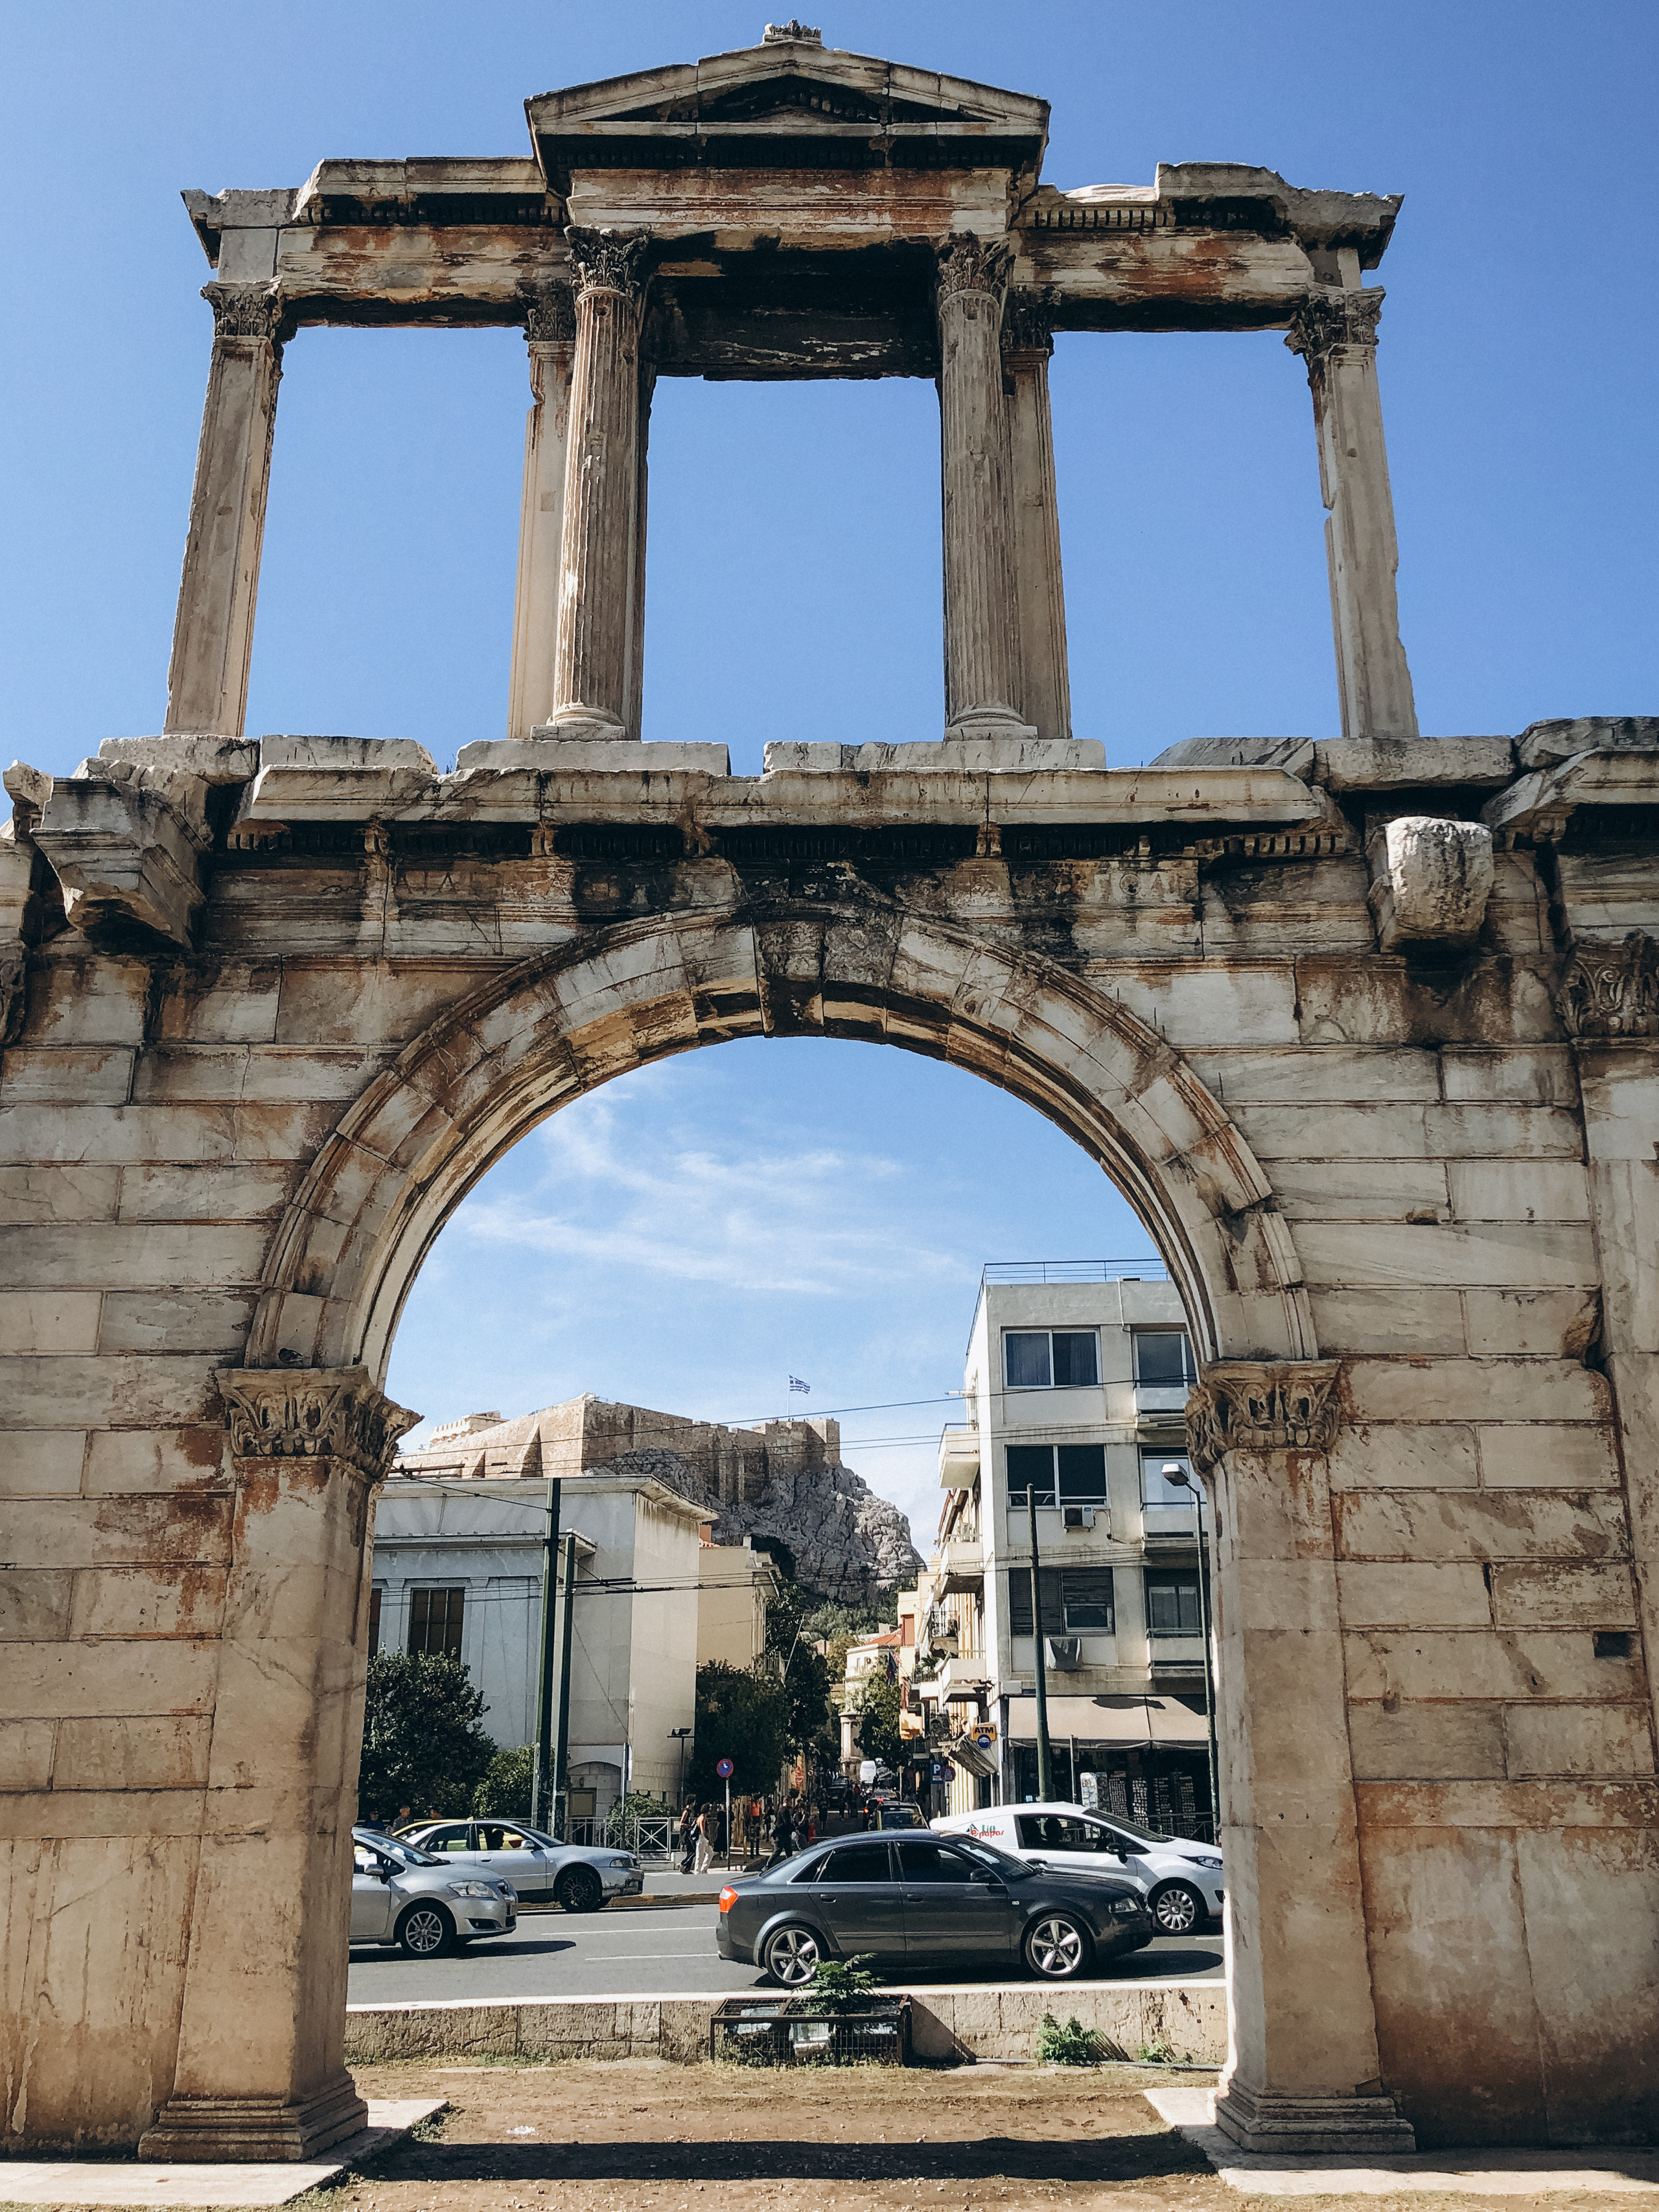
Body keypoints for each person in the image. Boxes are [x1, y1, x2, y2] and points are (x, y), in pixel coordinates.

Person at [693, 1805, 715, 1874]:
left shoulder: (703, 1817)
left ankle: (704, 1869)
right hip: (702, 1838)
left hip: (703, 1838)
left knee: (710, 1853)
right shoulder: (702, 1818)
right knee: (700, 1856)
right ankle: (697, 1872)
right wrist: (709, 1840)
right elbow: (703, 1831)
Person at [677, 1802, 697, 1875]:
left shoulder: (690, 1812)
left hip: (689, 1833)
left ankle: (687, 1869)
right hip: (686, 1834)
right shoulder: (686, 1812)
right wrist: (689, 1826)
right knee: (693, 1851)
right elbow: (681, 1824)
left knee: (690, 1851)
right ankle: (683, 1864)